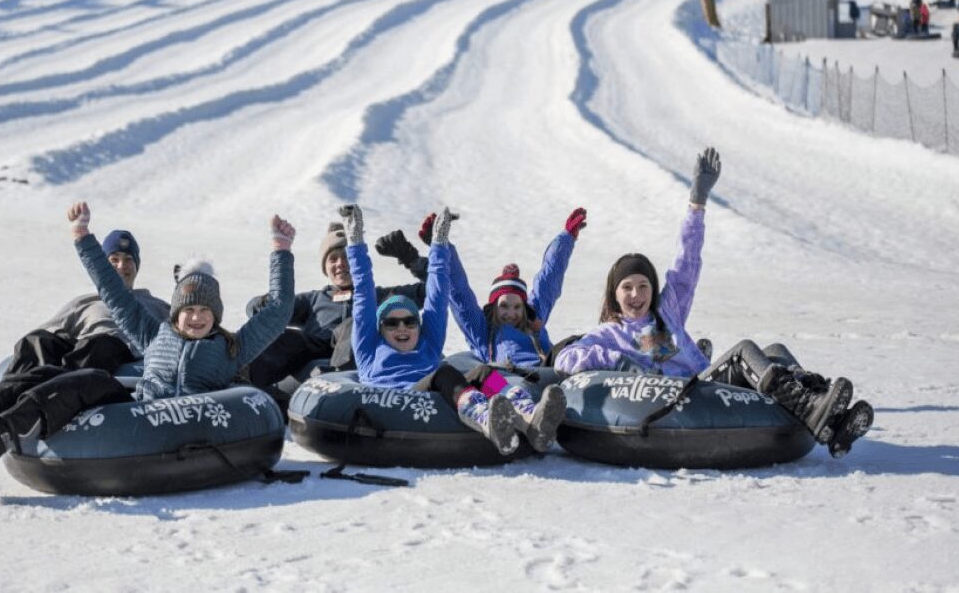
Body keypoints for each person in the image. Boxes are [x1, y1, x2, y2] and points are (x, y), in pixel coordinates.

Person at [554, 148, 873, 459]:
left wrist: (697, 203)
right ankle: (810, 410)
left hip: (703, 386)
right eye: (627, 287)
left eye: (643, 286)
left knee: (775, 351)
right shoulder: (609, 334)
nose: (636, 295)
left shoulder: (667, 313)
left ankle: (830, 418)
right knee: (743, 352)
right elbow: (567, 358)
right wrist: (617, 361)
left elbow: (686, 263)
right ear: (614, 294)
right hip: (684, 396)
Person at [0, 203, 297, 476]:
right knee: (84, 378)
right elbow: (113, 292)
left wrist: (281, 250)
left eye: (205, 311)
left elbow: (279, 311)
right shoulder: (153, 333)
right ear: (175, 313)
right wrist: (83, 238)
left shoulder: (230, 348)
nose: (196, 317)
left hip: (190, 419)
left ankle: (0, 430)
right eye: (188, 309)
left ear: (216, 315)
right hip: (139, 409)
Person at [0, 229, 168, 488]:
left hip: (114, 358)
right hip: (79, 352)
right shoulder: (86, 302)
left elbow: (180, 338)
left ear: (137, 266)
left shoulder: (155, 304)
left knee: (101, 345)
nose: (122, 266)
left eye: (128, 259)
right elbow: (49, 333)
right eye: (114, 259)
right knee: (37, 341)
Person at [342, 204, 566, 455]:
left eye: (410, 321)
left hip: (436, 394)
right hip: (395, 400)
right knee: (445, 372)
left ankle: (528, 416)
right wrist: (355, 241)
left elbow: (437, 295)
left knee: (483, 372)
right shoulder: (369, 351)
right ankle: (485, 419)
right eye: (392, 323)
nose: (402, 327)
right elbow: (363, 294)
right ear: (379, 328)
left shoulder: (427, 345)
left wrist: (440, 244)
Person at [245, 221, 427, 391]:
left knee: (356, 324)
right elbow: (255, 310)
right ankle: (246, 384)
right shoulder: (313, 299)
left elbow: (433, 290)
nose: (340, 263)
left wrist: (411, 259)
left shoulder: (380, 297)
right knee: (289, 337)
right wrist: (269, 302)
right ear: (325, 268)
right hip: (313, 353)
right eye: (333, 259)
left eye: (347, 257)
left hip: (355, 361)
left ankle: (341, 384)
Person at [427, 208, 586, 368]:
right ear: (493, 307)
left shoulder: (534, 319)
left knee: (574, 343)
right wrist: (441, 246)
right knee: (483, 376)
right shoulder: (483, 331)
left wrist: (567, 237)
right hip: (506, 381)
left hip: (545, 375)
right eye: (504, 306)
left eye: (517, 307)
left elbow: (549, 279)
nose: (511, 313)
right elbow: (460, 294)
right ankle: (515, 393)